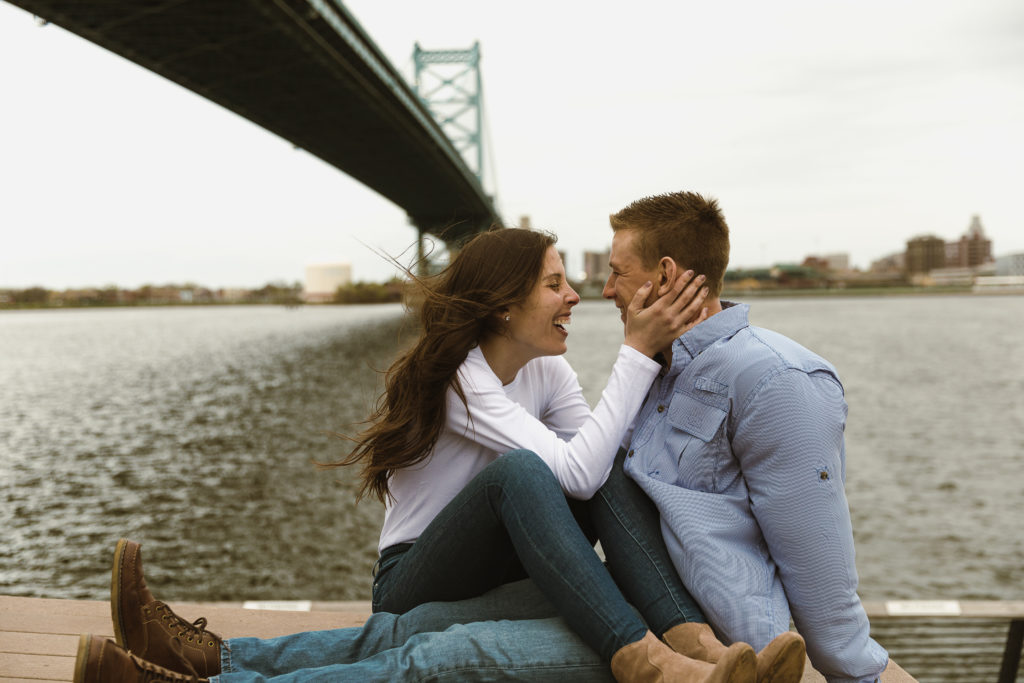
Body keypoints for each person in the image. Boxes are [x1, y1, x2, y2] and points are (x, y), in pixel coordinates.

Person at [74, 227, 770, 682]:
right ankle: (651, 660)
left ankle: (697, 646)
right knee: (522, 475)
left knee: (603, 479)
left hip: (493, 570)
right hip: (416, 575)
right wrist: (637, 352)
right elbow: (570, 474)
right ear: (505, 304)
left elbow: (594, 479)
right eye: (556, 283)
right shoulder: (462, 379)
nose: (575, 295)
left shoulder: (549, 373)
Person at [599, 191, 889, 682]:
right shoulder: (652, 366)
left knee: (444, 656)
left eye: (617, 272)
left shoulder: (775, 379)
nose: (606, 290)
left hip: (727, 655)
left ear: (665, 275)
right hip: (630, 610)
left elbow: (821, 573)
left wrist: (856, 673)